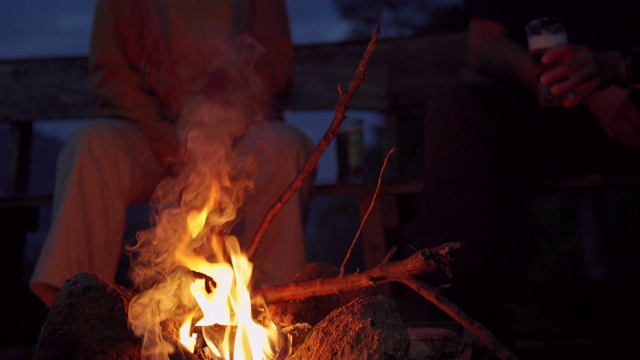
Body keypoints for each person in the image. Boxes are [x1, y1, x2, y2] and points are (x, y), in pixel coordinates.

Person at [29, 0, 315, 308]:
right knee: (91, 146)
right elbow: (111, 71)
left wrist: (228, 107)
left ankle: (276, 308)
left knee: (285, 148)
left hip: (233, 133)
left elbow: (276, 62)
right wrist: (166, 133)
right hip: (151, 132)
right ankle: (76, 311)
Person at [422, 0, 640, 346]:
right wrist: (569, 83)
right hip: (556, 108)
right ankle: (470, 331)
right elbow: (484, 44)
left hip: (631, 93)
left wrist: (619, 68)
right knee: (458, 110)